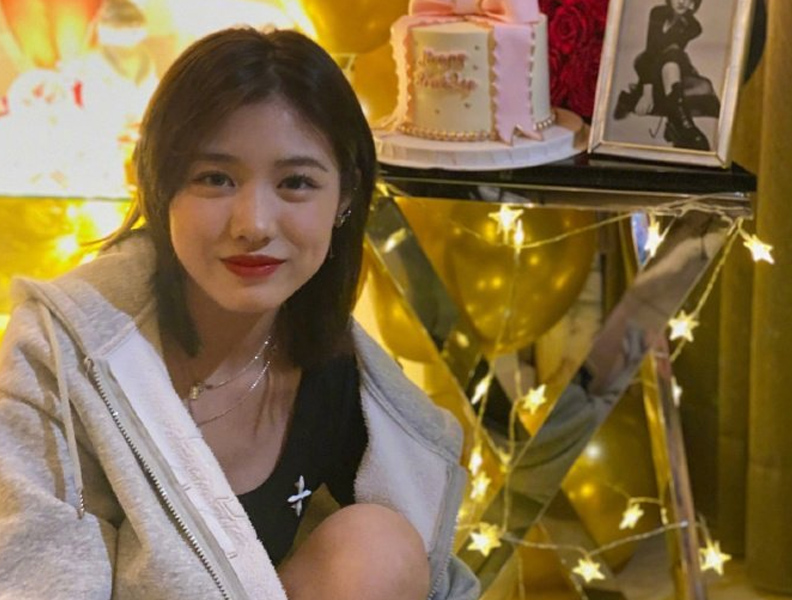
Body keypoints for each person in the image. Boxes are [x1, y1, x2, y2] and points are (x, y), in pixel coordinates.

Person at [0, 28, 479, 600]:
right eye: (215, 179)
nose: (253, 223)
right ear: (159, 185)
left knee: (379, 548)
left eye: (296, 182)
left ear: (346, 197)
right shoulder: (59, 353)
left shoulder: (342, 377)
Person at [613, 0, 720, 151]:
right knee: (673, 54)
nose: (682, 2)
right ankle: (684, 126)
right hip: (650, 66)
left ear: (694, 3)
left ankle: (641, 103)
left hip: (675, 67)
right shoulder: (657, 13)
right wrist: (647, 92)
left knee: (705, 86)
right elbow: (652, 51)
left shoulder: (694, 27)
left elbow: (671, 48)